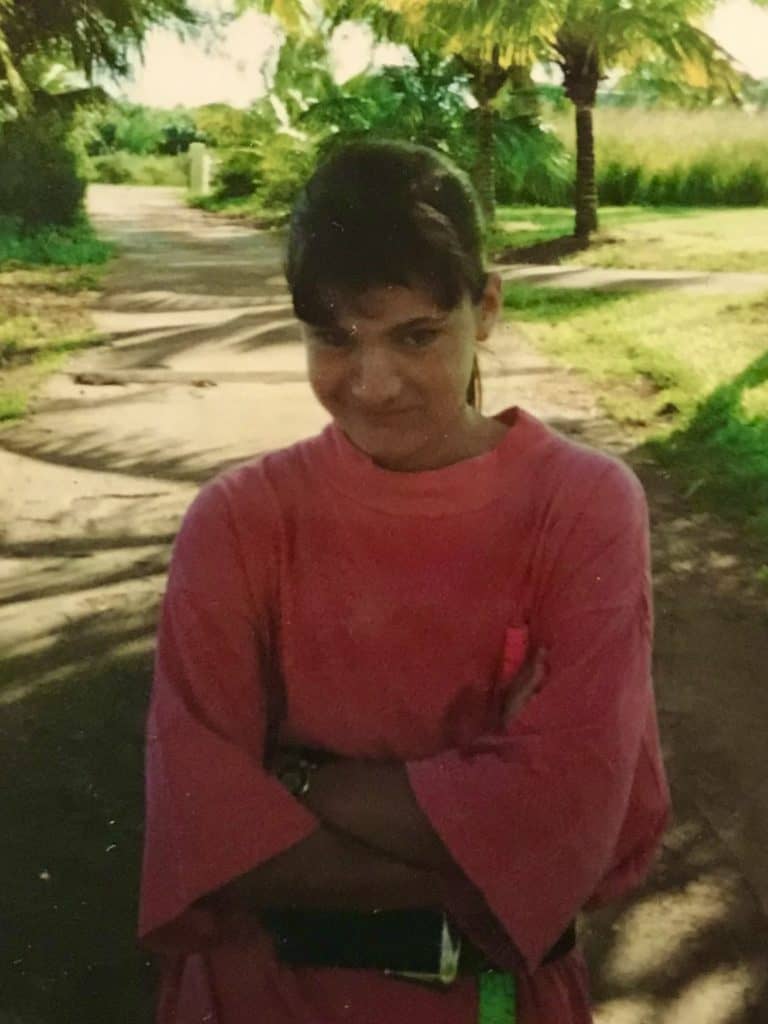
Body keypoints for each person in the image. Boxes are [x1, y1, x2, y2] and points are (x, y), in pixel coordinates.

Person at [138, 140, 671, 1023]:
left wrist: (303, 781)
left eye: (416, 335)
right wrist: (493, 846)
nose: (373, 383)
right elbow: (209, 843)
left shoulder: (579, 506)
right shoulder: (238, 521)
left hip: (495, 1002)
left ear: (486, 308)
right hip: (262, 996)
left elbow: (570, 829)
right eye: (334, 337)